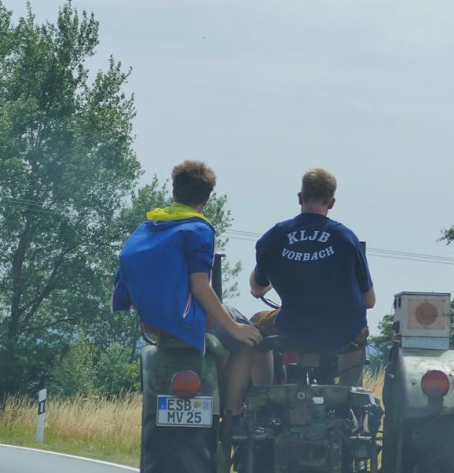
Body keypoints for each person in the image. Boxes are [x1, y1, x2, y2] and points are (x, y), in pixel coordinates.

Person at [112, 160, 262, 417]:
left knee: (234, 326)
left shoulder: (149, 226)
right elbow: (200, 287)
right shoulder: (199, 229)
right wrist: (235, 329)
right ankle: (233, 414)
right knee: (250, 338)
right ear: (206, 199)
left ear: (174, 194)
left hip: (152, 323)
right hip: (186, 319)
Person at [249, 167, 375, 386]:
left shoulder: (275, 236)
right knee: (360, 332)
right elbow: (370, 301)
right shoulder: (346, 238)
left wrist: (266, 281)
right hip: (342, 331)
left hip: (292, 327)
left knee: (255, 326)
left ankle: (263, 391)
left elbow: (257, 288)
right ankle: (348, 396)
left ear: (300, 197)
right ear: (332, 202)